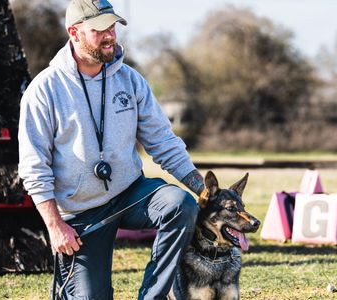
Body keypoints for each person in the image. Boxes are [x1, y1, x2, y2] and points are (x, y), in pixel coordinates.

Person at [17, 0, 204, 298]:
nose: (110, 36)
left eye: (113, 26)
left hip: (130, 193)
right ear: (74, 33)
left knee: (180, 204)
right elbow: (33, 167)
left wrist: (202, 188)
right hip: (81, 213)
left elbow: (163, 142)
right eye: (99, 29)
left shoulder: (130, 80)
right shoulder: (44, 90)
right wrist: (55, 226)